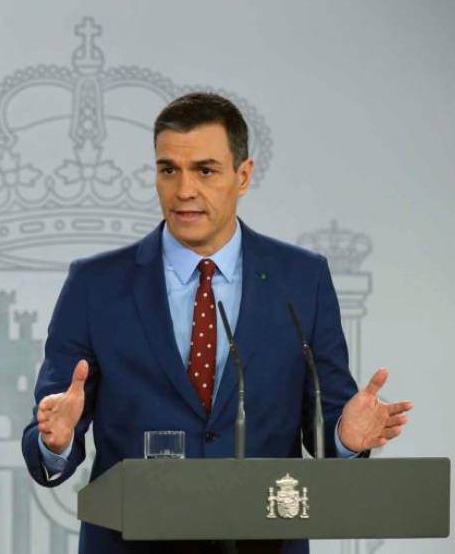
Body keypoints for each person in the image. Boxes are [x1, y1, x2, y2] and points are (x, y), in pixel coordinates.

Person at [21, 92, 412, 554]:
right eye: (169, 169)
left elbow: (323, 419)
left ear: (243, 175)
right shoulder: (96, 285)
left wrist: (346, 437)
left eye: (205, 170)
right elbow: (50, 431)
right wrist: (56, 439)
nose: (184, 189)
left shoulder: (301, 280)